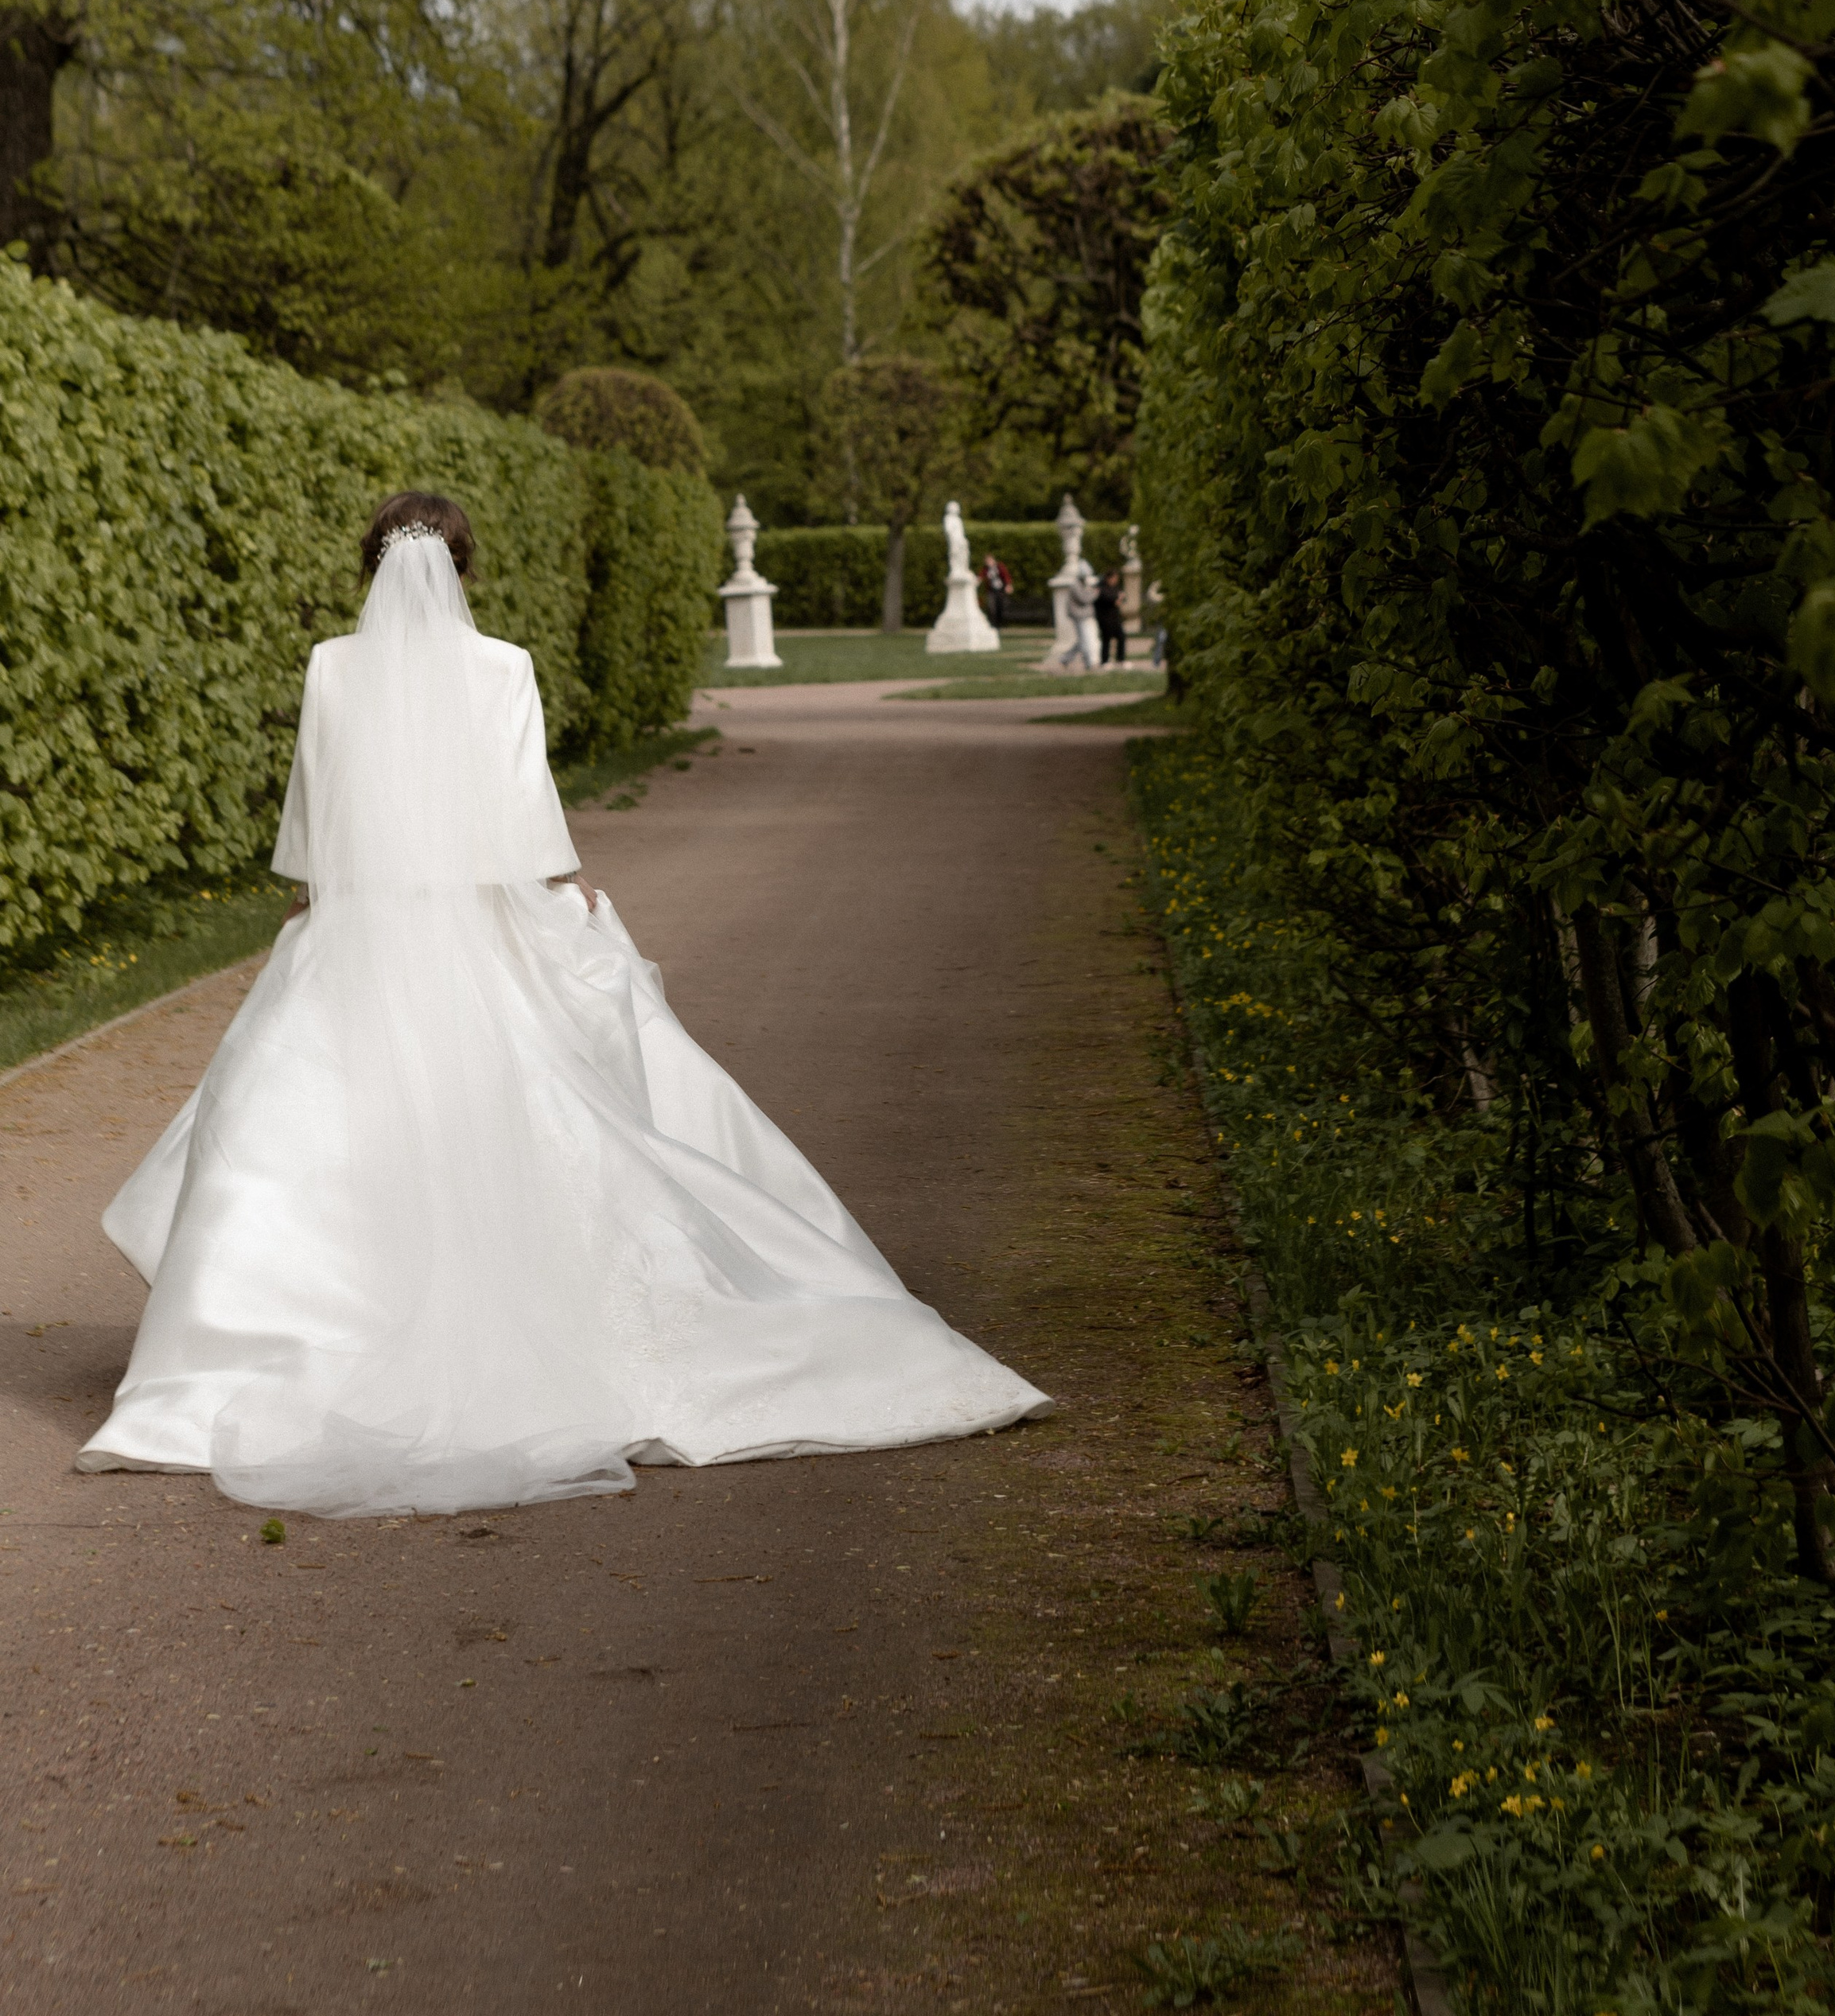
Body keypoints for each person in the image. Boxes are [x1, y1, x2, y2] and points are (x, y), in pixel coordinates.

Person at [79, 492, 1048, 1518]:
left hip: (362, 930)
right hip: (472, 925)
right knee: (545, 1110)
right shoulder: (504, 667)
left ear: (373, 568)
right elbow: (519, 810)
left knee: (293, 1125)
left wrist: (315, 901)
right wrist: (560, 893)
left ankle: (284, 1337)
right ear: (465, 568)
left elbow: (317, 804)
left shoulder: (332, 665)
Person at [1094, 569, 1127, 666]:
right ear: (1109, 578)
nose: (1116, 580)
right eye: (1114, 578)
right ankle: (1105, 661)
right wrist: (1119, 598)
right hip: (1105, 619)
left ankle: (1120, 660)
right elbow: (1112, 600)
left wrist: (1119, 599)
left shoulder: (1115, 587)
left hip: (1115, 618)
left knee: (1121, 637)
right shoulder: (1102, 589)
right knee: (1106, 639)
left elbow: (1122, 598)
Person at [979, 551, 1011, 636]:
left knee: (1001, 607)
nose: (988, 562)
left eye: (990, 560)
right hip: (991, 591)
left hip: (1000, 590)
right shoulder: (985, 569)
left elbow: (1006, 576)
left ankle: (1000, 625)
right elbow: (981, 576)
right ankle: (993, 625)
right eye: (987, 561)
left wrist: (1008, 585)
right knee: (991, 607)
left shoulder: (1000, 567)